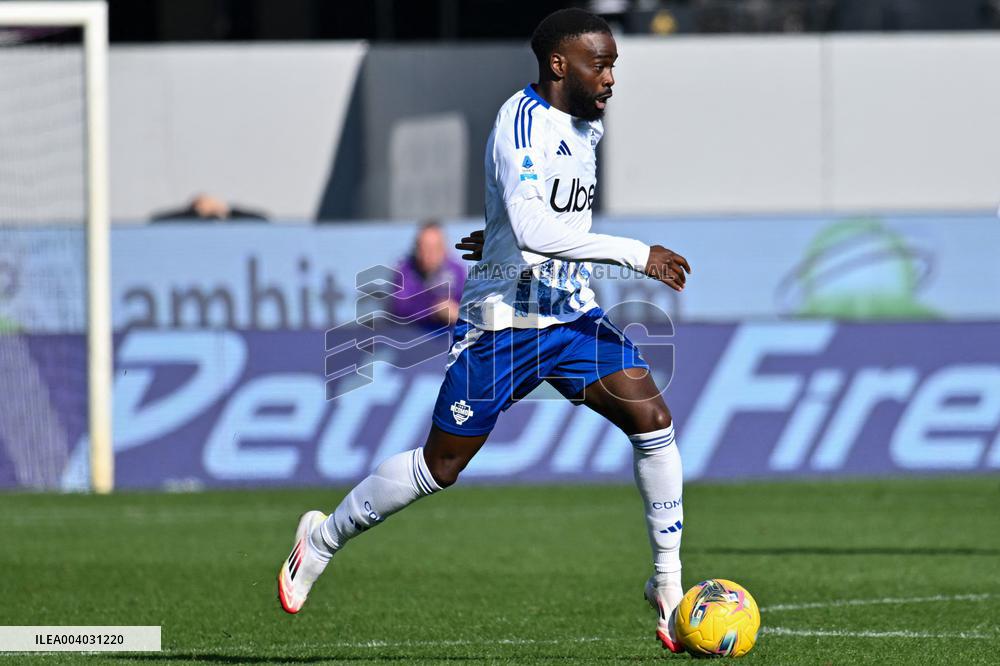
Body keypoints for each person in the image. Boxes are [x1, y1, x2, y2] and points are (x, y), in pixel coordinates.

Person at [277, 8, 692, 653]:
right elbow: (533, 230)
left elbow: (534, 216)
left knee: (653, 420)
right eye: (600, 63)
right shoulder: (519, 123)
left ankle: (667, 586)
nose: (611, 77)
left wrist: (496, 233)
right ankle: (322, 537)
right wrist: (639, 255)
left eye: (614, 64)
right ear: (560, 65)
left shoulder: (588, 125)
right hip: (504, 325)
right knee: (440, 466)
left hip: (571, 314)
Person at [389, 221, 466, 327]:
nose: (428, 254)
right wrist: (434, 309)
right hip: (414, 334)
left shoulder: (456, 271)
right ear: (416, 248)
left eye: (434, 248)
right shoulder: (405, 271)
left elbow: (466, 304)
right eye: (424, 248)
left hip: (447, 334)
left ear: (444, 249)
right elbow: (401, 307)